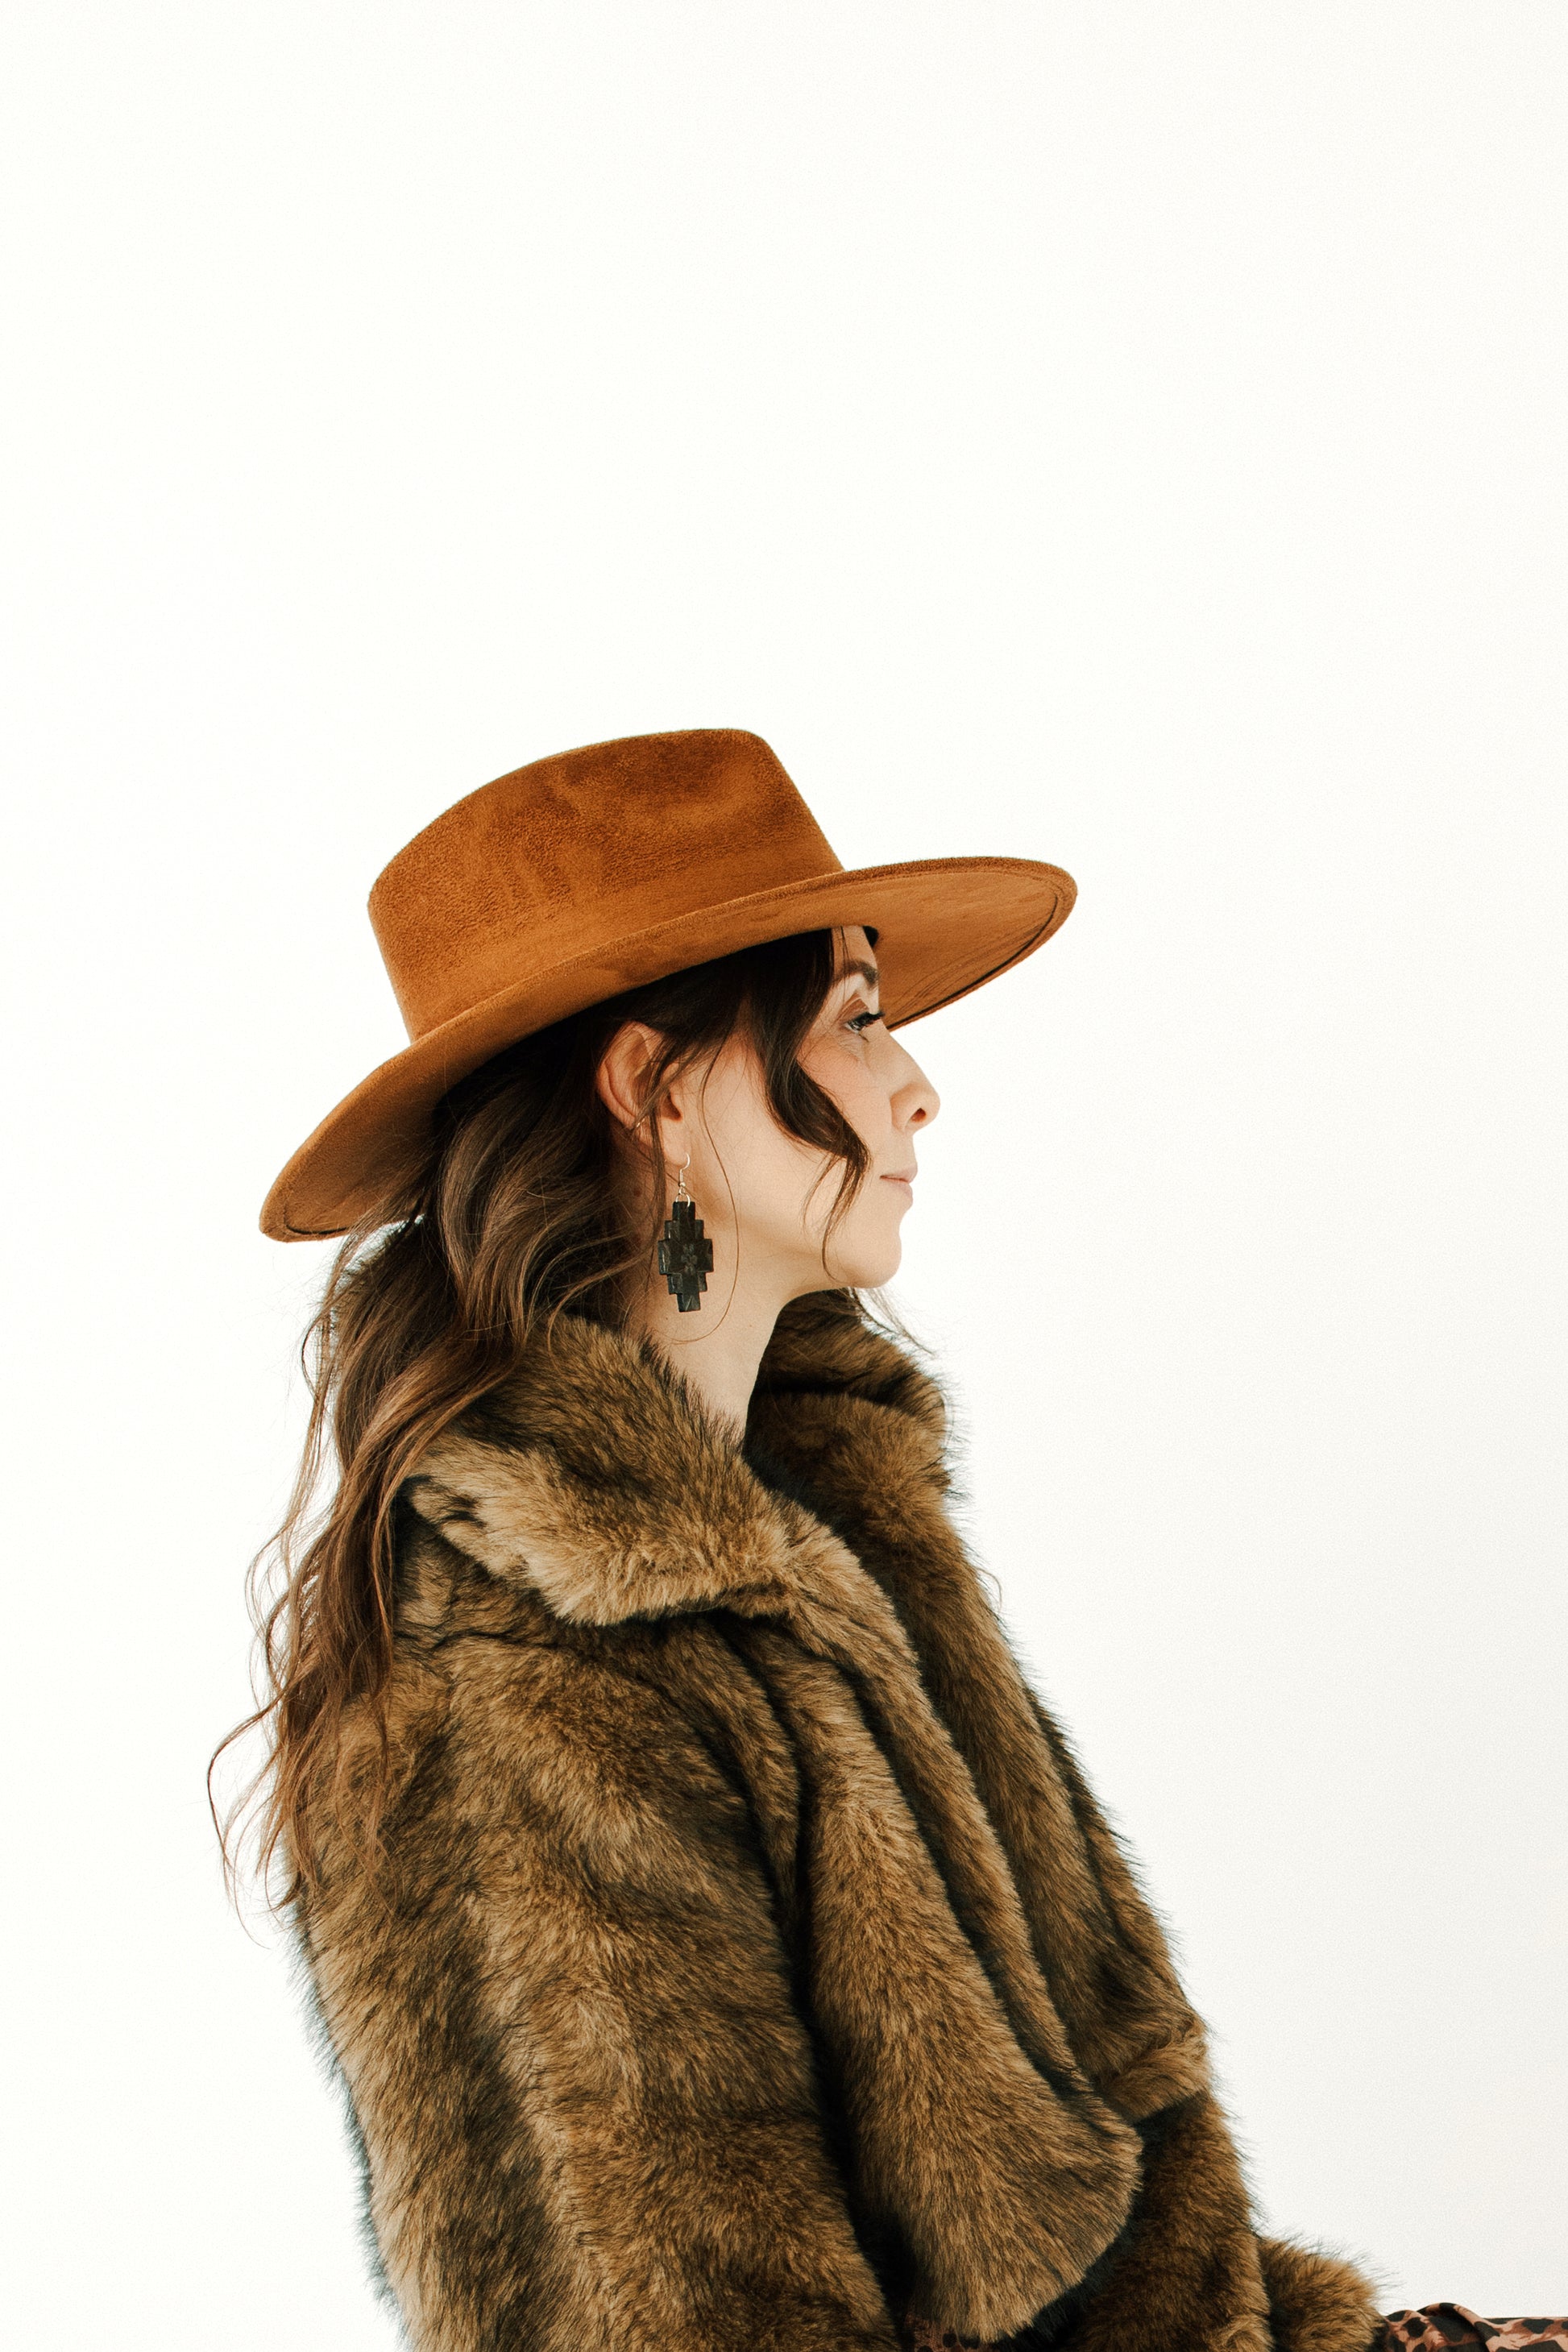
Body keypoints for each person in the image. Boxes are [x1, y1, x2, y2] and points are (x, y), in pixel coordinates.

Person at [227, 729, 1562, 2352]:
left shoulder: (829, 1528)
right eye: (855, 1017)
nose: (916, 1082)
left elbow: (1120, 2255)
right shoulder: (517, 1673)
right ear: (656, 1089)